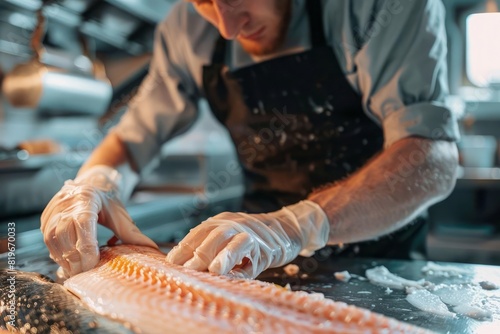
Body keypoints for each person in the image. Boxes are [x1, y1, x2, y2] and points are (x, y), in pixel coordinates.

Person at [41, 0, 459, 279]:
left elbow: (430, 157)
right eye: (205, 1)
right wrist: (93, 185)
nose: (227, 27)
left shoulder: (378, 8)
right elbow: (132, 141)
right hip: (251, 260)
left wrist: (294, 227)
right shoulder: (186, 27)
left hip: (382, 258)